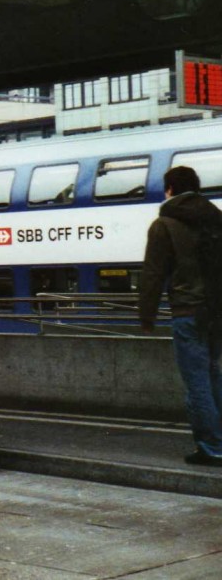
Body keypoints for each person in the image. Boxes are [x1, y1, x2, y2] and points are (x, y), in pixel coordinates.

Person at [138, 165, 222, 467]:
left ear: (170, 188)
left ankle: (212, 447)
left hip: (188, 312)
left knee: (197, 382)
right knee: (215, 375)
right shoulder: (216, 217)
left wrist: (146, 315)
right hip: (217, 313)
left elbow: (153, 274)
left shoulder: (165, 223)